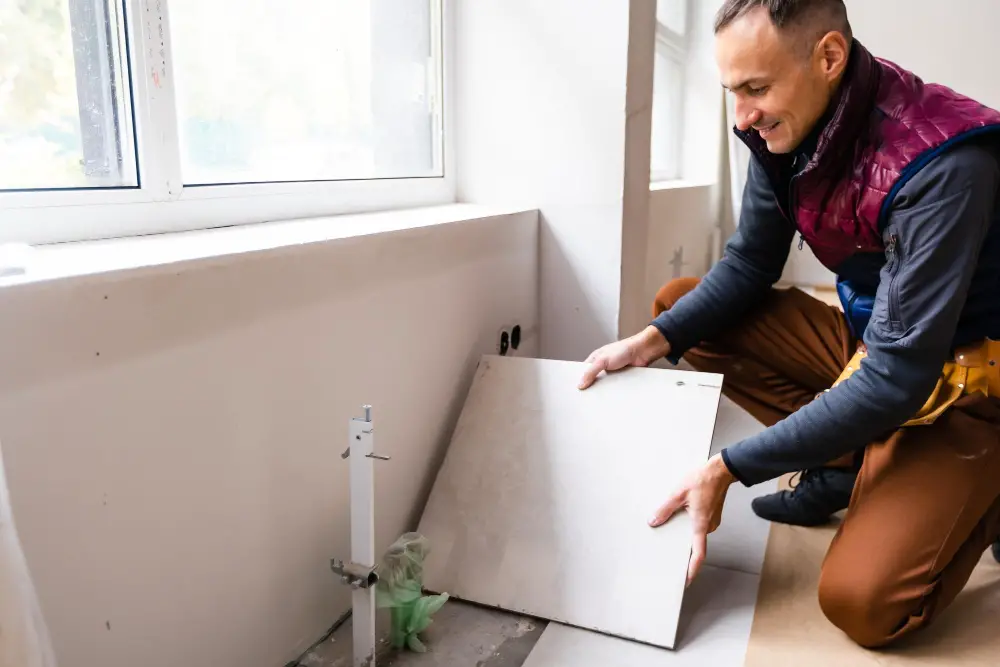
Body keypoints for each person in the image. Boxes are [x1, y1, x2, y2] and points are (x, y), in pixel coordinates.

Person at [579, 0, 1000, 650]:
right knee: (680, 309)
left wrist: (727, 466)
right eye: (732, 91)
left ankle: (967, 482)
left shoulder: (942, 165)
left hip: (971, 384)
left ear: (828, 58)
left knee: (862, 604)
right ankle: (850, 452)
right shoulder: (781, 130)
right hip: (879, 344)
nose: (742, 115)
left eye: (756, 88)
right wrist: (649, 342)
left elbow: (895, 380)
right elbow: (750, 262)